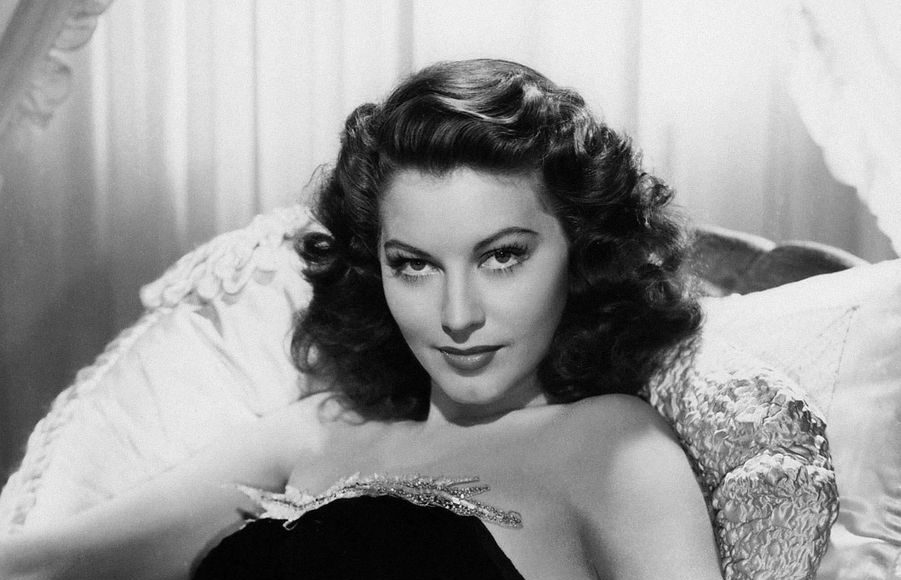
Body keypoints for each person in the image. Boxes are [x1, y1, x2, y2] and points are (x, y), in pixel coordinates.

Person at [0, 59, 723, 579]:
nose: (458, 315)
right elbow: (45, 564)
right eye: (414, 265)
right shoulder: (315, 431)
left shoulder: (613, 445)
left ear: (582, 253)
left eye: (502, 257)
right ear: (373, 267)